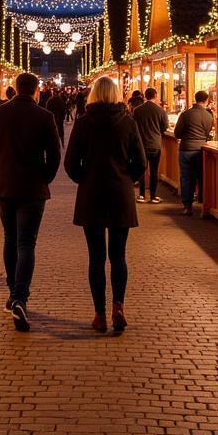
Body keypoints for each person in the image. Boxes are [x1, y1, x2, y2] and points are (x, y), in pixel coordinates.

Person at [0, 72, 61, 332]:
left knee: (10, 238)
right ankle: (20, 297)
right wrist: (45, 177)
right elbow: (55, 154)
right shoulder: (44, 116)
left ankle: (12, 293)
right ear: (36, 90)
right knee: (27, 242)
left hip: (4, 186)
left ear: (14, 88)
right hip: (33, 187)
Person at [64, 76, 145, 333]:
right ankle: (118, 307)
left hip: (92, 194)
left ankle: (99, 314)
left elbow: (70, 164)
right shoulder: (128, 123)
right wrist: (125, 177)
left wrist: (85, 178)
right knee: (118, 256)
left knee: (96, 258)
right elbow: (141, 162)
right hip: (120, 194)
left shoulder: (83, 123)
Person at [174, 91, 214, 216]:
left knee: (186, 178)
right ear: (206, 100)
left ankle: (187, 206)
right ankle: (203, 205)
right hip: (200, 150)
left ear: (195, 99)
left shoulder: (185, 114)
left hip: (185, 149)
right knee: (201, 177)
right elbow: (208, 133)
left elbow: (177, 133)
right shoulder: (208, 116)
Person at [132, 88, 169, 204]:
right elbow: (165, 126)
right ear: (155, 95)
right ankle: (153, 196)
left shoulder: (137, 110)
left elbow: (133, 126)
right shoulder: (160, 110)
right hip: (155, 144)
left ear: (145, 96)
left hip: (141, 144)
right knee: (154, 170)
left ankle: (142, 195)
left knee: (142, 170)